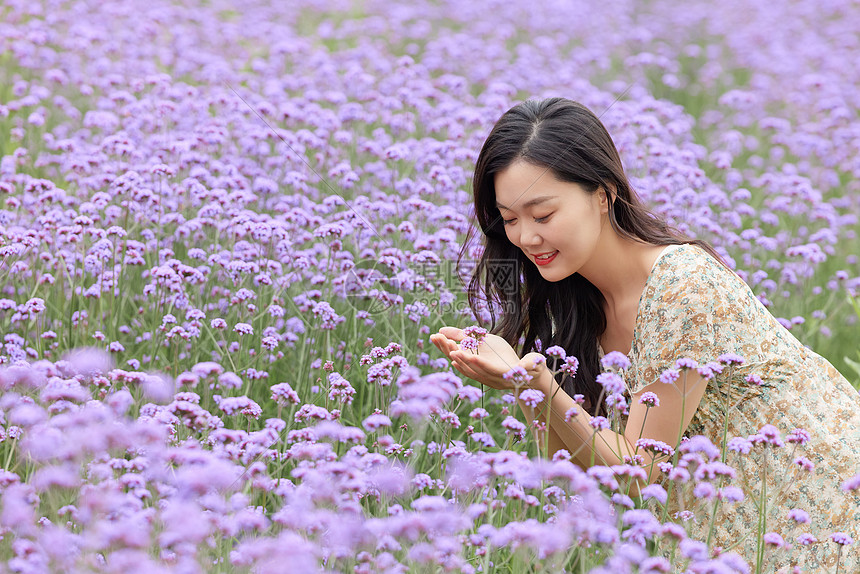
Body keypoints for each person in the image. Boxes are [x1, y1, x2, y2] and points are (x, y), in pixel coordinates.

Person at [430, 97, 860, 571]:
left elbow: (641, 471)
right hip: (739, 540)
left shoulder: (681, 286)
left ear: (603, 193)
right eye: (510, 220)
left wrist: (539, 387)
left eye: (543, 215)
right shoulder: (579, 307)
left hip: (826, 524)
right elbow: (578, 475)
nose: (526, 238)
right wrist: (524, 386)